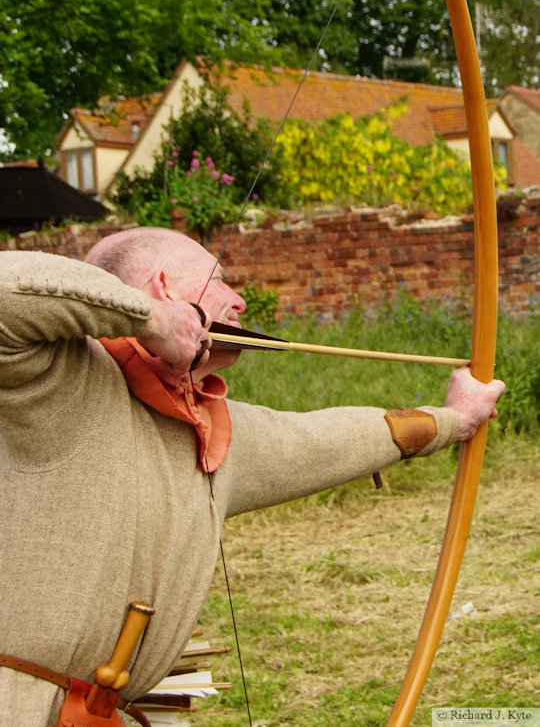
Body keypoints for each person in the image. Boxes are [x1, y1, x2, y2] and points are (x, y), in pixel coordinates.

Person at [0, 227, 505, 726]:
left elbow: (323, 439)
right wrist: (152, 321)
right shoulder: (55, 378)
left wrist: (452, 420)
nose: (238, 300)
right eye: (217, 280)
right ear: (164, 287)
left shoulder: (211, 428)